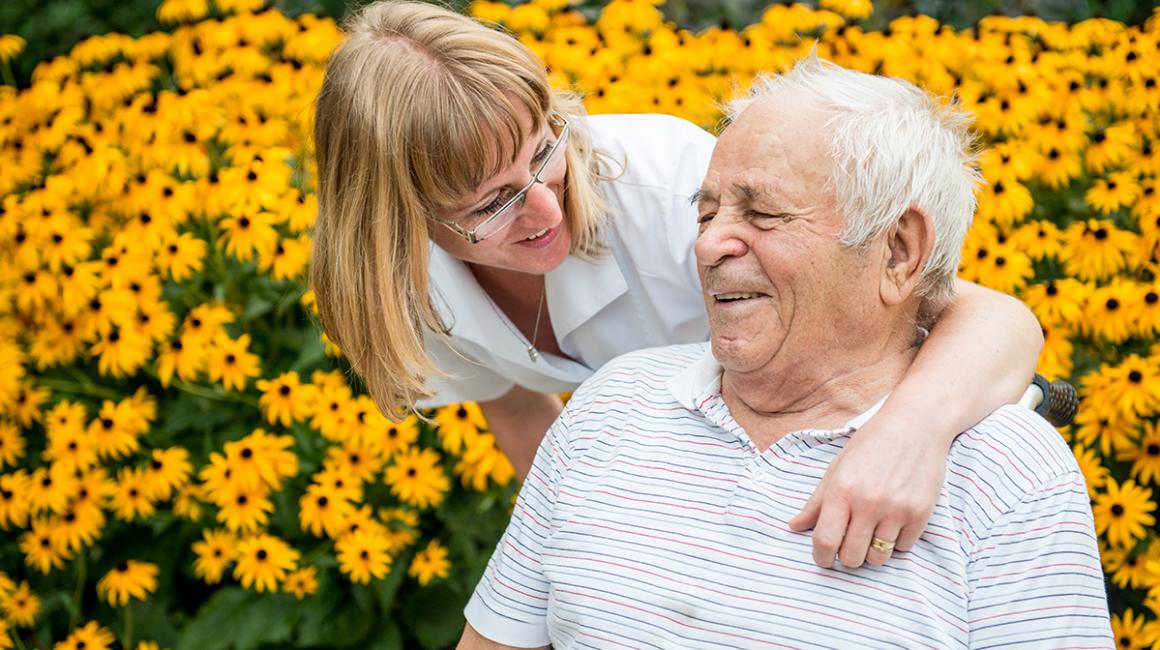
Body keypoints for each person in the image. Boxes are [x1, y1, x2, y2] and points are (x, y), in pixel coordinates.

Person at [309, 0, 1045, 566]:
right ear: (396, 222)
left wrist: (909, 433)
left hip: (858, 465)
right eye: (489, 203)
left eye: (543, 152)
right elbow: (510, 397)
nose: (544, 208)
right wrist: (589, 542)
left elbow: (990, 320)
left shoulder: (671, 191)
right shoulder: (396, 293)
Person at [458, 56, 1111, 649]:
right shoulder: (607, 406)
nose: (709, 246)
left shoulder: (1008, 478)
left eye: (763, 215)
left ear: (899, 252)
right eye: (706, 214)